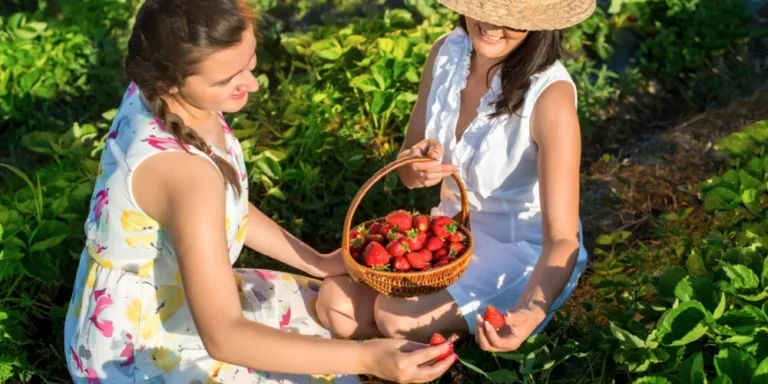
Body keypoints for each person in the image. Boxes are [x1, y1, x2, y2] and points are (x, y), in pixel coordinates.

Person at [62, 0, 457, 382]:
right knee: (335, 364)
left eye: (249, 64)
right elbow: (224, 336)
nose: (251, 84)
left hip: (176, 294)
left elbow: (226, 206)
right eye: (227, 80)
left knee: (336, 304)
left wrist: (315, 261)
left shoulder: (167, 94)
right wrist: (368, 359)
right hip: (138, 349)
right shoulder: (184, 174)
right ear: (169, 79)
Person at [315, 0, 595, 353]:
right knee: (335, 304)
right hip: (450, 234)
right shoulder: (446, 54)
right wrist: (415, 167)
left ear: (541, 22)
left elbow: (562, 239)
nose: (491, 28)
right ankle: (416, 338)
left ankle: (440, 340)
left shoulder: (548, 96)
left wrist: (528, 311)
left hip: (521, 254)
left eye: (510, 20)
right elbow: (408, 169)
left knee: (394, 315)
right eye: (484, 10)